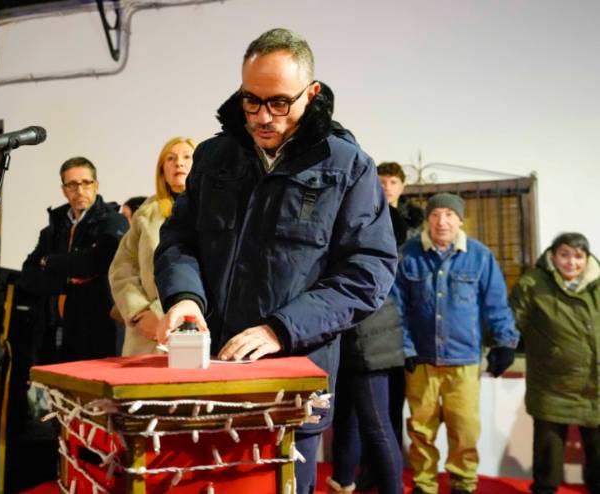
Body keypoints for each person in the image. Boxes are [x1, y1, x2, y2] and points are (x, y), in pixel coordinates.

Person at [153, 28, 398, 493]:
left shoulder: (347, 166)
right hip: (208, 375)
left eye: (280, 103)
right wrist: (184, 297)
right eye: (252, 101)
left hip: (291, 382)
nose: (263, 117)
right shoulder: (213, 157)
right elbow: (179, 239)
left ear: (312, 93)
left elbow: (367, 272)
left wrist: (280, 329)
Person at [396, 192, 519, 494]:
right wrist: (405, 347)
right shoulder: (407, 255)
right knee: (421, 428)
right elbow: (396, 308)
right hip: (421, 361)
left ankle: (463, 482)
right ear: (428, 219)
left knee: (464, 428)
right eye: (435, 214)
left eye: (449, 214)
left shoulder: (480, 256)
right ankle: (425, 483)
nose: (442, 221)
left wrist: (505, 343)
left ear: (461, 219)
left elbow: (495, 305)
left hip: (464, 360)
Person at [509, 232, 600, 494]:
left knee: (598, 455)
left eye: (578, 256)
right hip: (551, 384)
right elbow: (512, 324)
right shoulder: (533, 284)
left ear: (587, 258)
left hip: (595, 385)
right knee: (548, 458)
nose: (571, 262)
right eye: (564, 255)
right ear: (552, 256)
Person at [327, 201, 406, 494]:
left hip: (368, 336)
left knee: (376, 424)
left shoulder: (369, 229)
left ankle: (392, 488)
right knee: (346, 419)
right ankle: (343, 482)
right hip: (354, 334)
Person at [20, 157, 129, 361]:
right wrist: (66, 281)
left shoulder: (113, 222)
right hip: (53, 328)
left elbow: (93, 263)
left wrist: (48, 262)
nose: (79, 190)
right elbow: (27, 276)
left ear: (96, 185)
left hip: (98, 328)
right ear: (64, 190)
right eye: (72, 185)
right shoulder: (53, 229)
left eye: (85, 183)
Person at [109, 137, 196, 355]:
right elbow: (122, 268)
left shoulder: (213, 210)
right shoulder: (146, 213)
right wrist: (139, 311)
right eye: (171, 158)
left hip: (194, 326)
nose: (179, 163)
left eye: (187, 157)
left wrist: (161, 312)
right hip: (146, 334)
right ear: (162, 171)